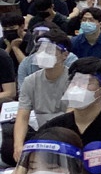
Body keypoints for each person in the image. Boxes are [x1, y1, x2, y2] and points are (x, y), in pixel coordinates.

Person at [11, 30, 74, 159]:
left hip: (68, 134)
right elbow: (23, 116)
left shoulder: (73, 81)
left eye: (49, 50)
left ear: (65, 54)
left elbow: (71, 115)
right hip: (41, 132)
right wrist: (18, 146)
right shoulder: (30, 81)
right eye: (40, 50)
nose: (43, 54)